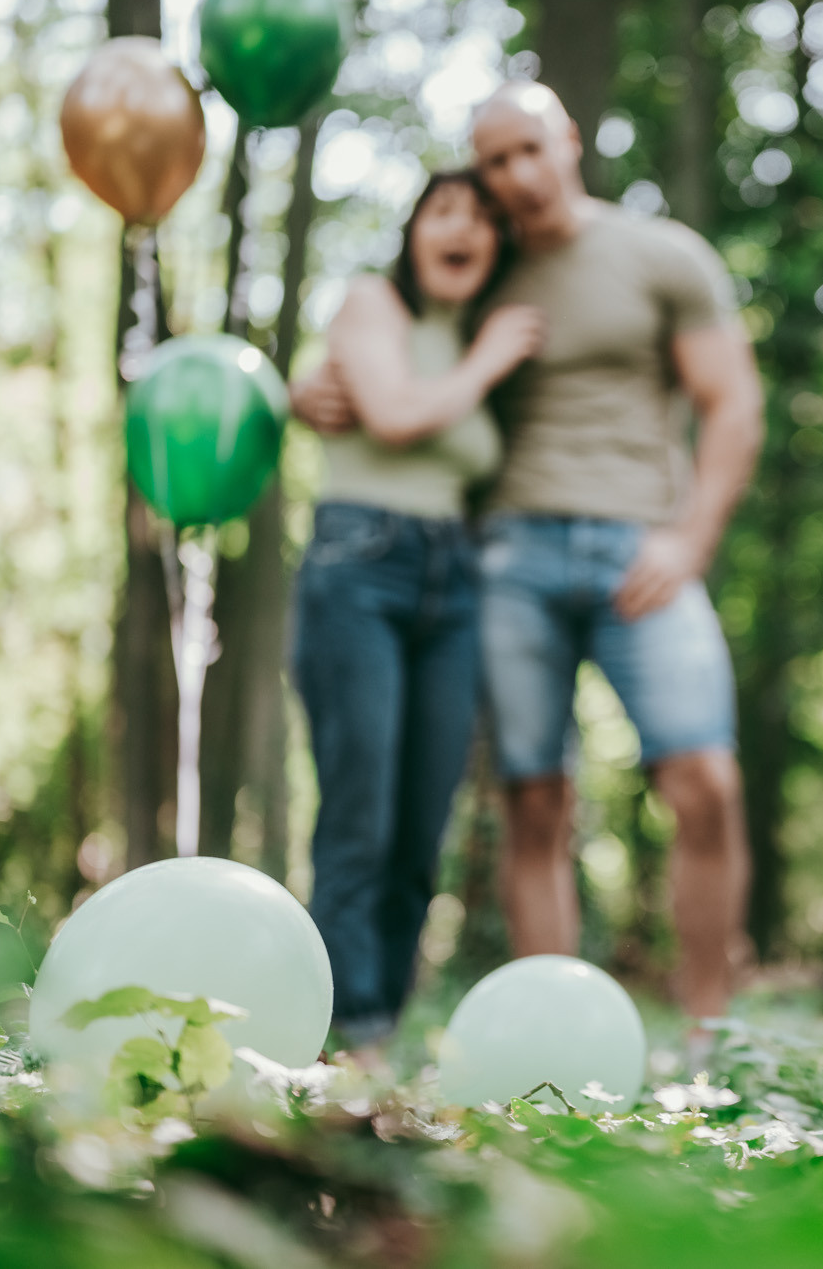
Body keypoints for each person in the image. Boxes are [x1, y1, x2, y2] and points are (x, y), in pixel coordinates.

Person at [469, 81, 765, 1025]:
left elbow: (734, 401)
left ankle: (709, 1029)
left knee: (705, 783)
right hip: (511, 556)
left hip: (642, 553)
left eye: (530, 147)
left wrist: (691, 539)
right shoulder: (473, 268)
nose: (517, 173)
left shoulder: (660, 255)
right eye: (494, 161)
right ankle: (550, 1047)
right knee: (534, 800)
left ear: (569, 137)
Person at [287, 171, 545, 1049]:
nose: (461, 229)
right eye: (443, 212)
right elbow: (393, 415)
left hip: (455, 577)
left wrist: (487, 358)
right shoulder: (373, 306)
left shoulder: (475, 338)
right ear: (412, 233)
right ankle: (336, 1028)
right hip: (360, 565)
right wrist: (488, 361)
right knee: (358, 815)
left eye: (480, 221)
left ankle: (380, 1032)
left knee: (420, 825)